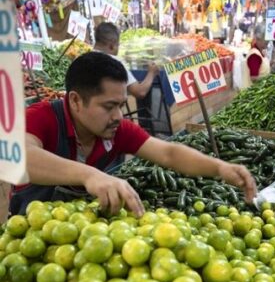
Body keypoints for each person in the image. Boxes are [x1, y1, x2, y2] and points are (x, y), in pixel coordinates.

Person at [11, 52, 256, 216]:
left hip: (84, 236)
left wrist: (219, 168)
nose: (119, 115)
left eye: (121, 104)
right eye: (109, 106)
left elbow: (168, 153)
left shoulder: (115, 129)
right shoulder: (41, 118)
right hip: (30, 230)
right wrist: (90, 175)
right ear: (75, 101)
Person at [94, 22, 158, 100]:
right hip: (109, 110)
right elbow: (140, 92)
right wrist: (152, 72)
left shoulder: (82, 60)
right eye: (118, 45)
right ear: (112, 46)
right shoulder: (115, 62)